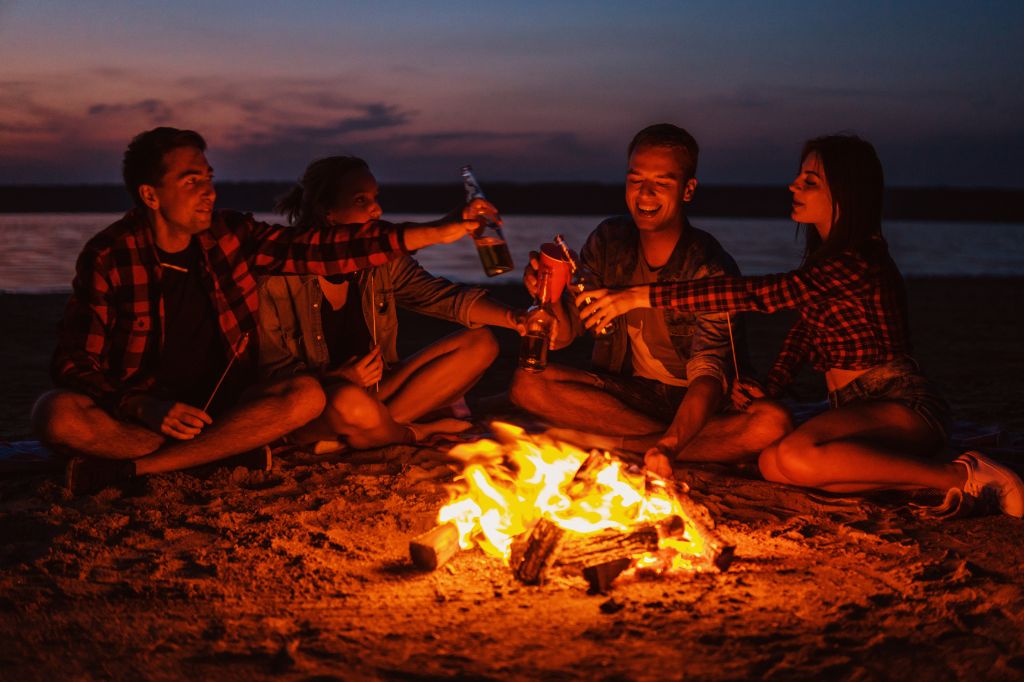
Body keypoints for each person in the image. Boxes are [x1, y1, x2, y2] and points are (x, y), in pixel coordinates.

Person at [578, 134, 1024, 517]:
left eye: (809, 181)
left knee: (792, 453)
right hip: (850, 408)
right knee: (774, 463)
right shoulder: (825, 260)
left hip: (901, 403)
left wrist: (640, 295)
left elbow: (764, 295)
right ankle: (926, 483)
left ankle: (964, 475)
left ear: (844, 195)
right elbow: (803, 332)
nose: (793, 185)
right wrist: (769, 387)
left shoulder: (858, 260)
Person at [32, 127, 491, 494]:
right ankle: (218, 456)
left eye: (209, 178)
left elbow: (319, 248)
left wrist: (437, 231)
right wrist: (139, 403)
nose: (208, 192)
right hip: (141, 416)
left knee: (306, 396)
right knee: (55, 414)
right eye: (192, 182)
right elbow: (73, 362)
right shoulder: (110, 255)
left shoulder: (233, 235)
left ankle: (143, 468)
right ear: (151, 196)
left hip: (232, 412)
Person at [510, 123, 791, 461]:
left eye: (661, 183)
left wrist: (670, 442)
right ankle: (672, 445)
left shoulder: (708, 267)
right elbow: (565, 335)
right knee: (528, 383)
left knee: (771, 423)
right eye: (635, 180)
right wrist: (547, 291)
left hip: (699, 401)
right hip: (632, 393)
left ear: (688, 190)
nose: (644, 194)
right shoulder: (609, 240)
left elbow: (709, 377)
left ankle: (627, 444)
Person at [258, 155, 525, 450]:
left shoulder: (382, 263)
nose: (377, 209)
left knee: (482, 342)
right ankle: (408, 433)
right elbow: (271, 376)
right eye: (361, 200)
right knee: (348, 401)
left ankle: (369, 433)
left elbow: (444, 298)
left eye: (375, 198)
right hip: (322, 403)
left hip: (379, 392)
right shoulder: (279, 277)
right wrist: (335, 377)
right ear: (327, 211)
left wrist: (518, 319)